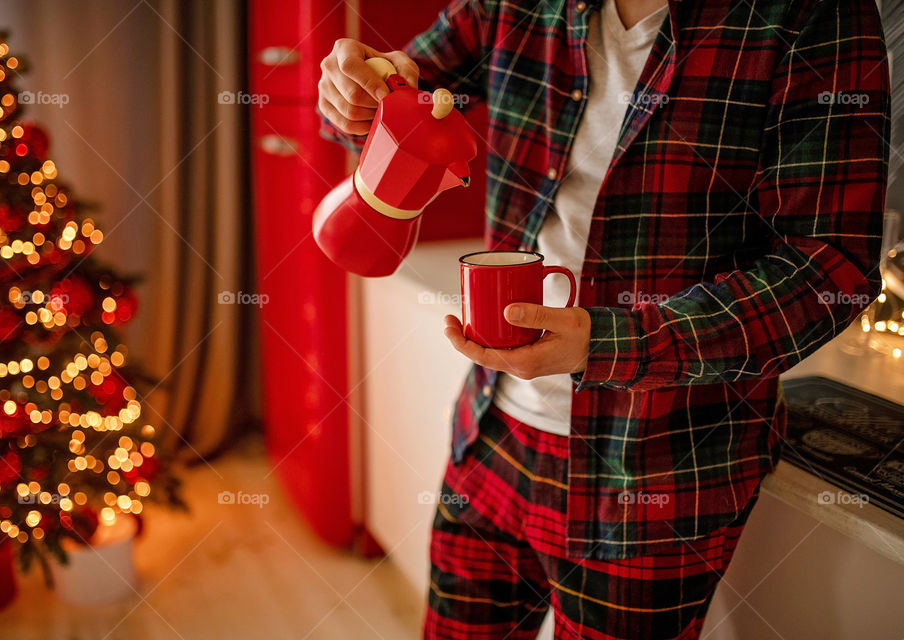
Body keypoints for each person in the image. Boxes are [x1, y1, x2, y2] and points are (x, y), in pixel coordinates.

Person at [318, 0, 889, 638]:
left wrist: (610, 343)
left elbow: (829, 266)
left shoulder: (814, 14)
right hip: (491, 432)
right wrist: (356, 93)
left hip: (660, 470)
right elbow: (397, 97)